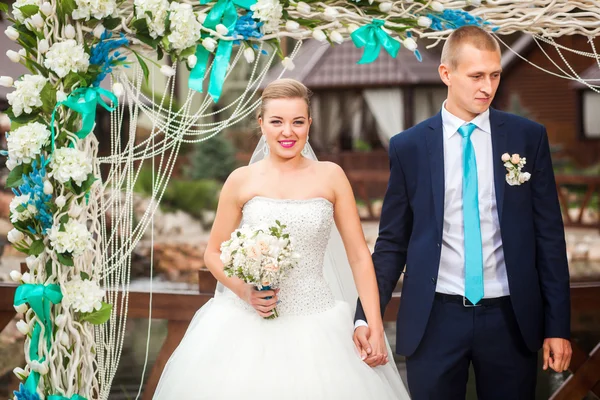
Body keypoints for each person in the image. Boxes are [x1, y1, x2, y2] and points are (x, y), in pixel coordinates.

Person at [153, 78, 410, 399]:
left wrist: (373, 325)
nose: (287, 131)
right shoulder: (241, 180)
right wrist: (245, 291)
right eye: (277, 121)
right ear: (261, 124)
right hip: (246, 324)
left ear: (309, 124)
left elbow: (359, 256)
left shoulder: (331, 176)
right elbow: (213, 253)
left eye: (297, 122)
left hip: (318, 323)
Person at [354, 25, 572, 400]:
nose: (487, 87)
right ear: (446, 74)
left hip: (511, 320)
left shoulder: (527, 137)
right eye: (476, 76)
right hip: (434, 319)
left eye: (494, 75)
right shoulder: (408, 147)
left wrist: (558, 325)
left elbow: (548, 237)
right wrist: (366, 314)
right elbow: (392, 241)